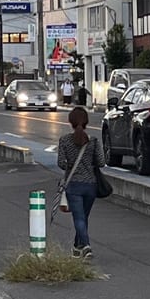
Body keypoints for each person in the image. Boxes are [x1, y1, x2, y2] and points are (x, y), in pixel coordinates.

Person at [57, 106, 107, 257]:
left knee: (79, 218)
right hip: (90, 185)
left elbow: (61, 163)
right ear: (86, 122)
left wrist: (71, 166)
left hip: (73, 185)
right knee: (83, 217)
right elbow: (101, 162)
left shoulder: (64, 140)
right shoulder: (93, 141)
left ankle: (86, 246)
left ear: (70, 122)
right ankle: (77, 247)